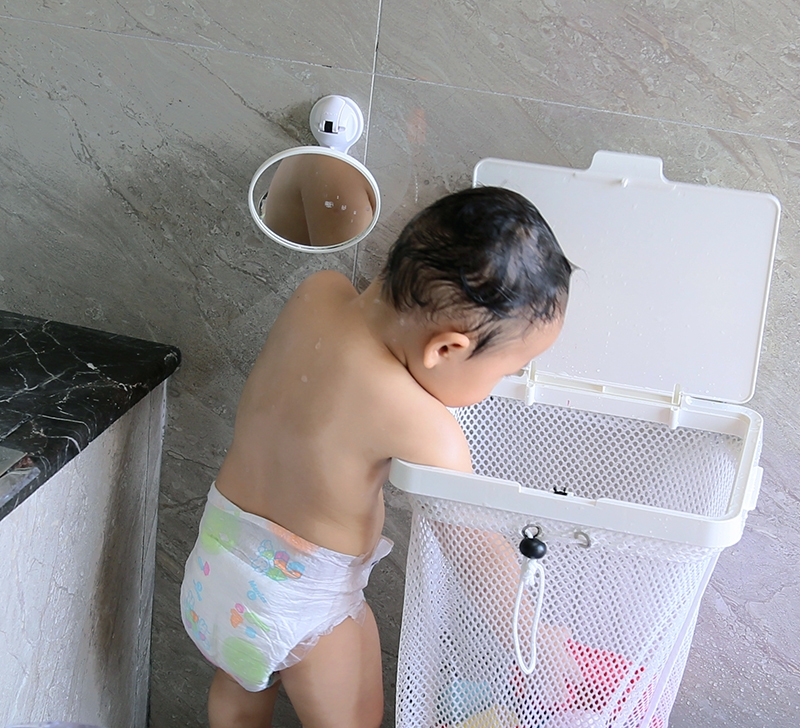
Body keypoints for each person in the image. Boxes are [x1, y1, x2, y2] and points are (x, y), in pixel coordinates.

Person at [180, 186, 574, 728]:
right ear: (446, 350)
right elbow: (476, 553)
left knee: (239, 692)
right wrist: (537, 636)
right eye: (505, 372)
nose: (501, 384)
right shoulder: (422, 424)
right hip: (305, 602)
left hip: (216, 564)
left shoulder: (318, 291)